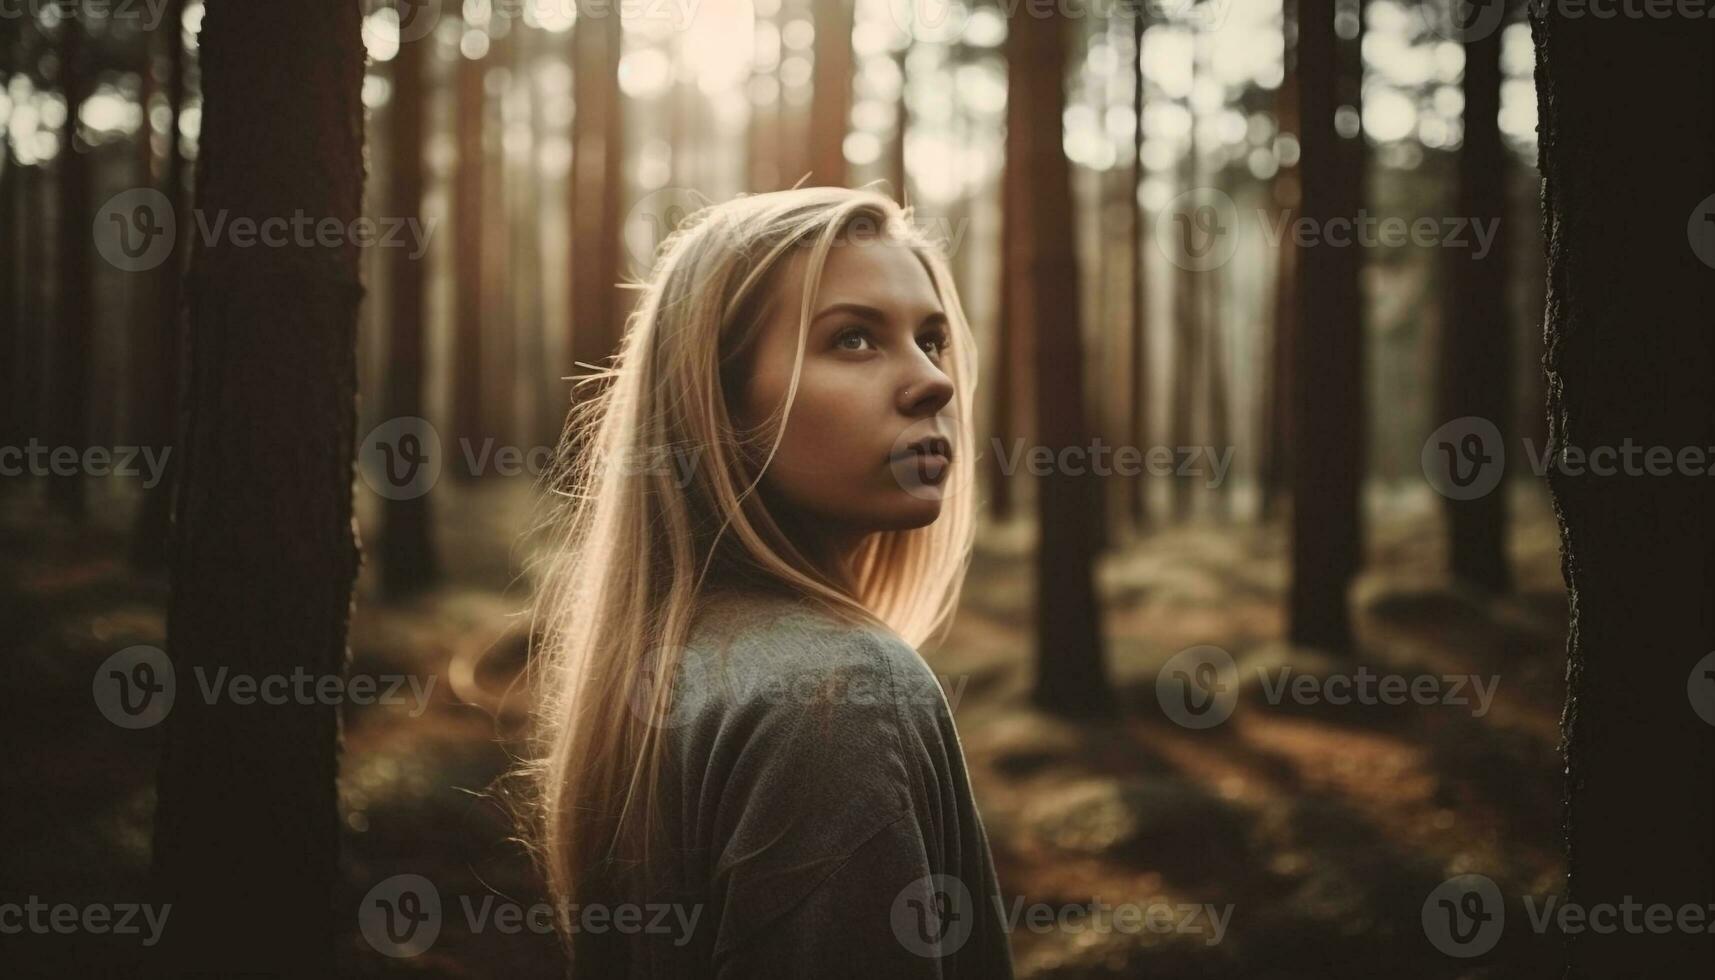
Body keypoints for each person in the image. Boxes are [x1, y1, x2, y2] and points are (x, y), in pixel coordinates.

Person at [520, 185, 1013, 978]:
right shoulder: (841, 693)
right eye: (853, 340)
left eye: (932, 340)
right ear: (716, 404)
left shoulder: (665, 662)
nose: (933, 382)